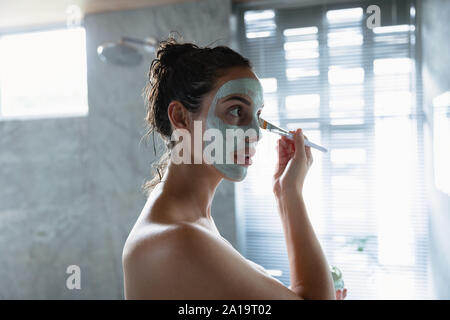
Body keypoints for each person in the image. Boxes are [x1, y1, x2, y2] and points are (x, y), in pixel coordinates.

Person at [122, 36, 347, 300]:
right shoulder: (180, 239)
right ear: (181, 117)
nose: (255, 133)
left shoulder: (193, 222)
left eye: (258, 116)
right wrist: (290, 195)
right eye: (236, 110)